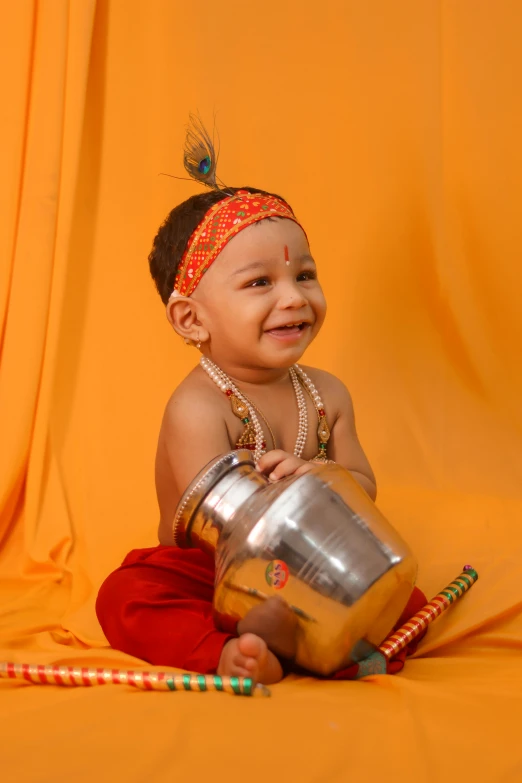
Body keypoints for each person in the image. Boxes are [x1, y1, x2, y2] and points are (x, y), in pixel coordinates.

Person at [96, 126, 426, 684]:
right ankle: (226, 651)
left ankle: (299, 636)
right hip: (210, 571)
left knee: (408, 596)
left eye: (305, 275)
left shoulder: (328, 394)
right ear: (191, 319)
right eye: (259, 283)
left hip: (310, 558)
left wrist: (325, 474)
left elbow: (363, 484)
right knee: (126, 595)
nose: (294, 297)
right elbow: (223, 519)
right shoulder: (197, 406)